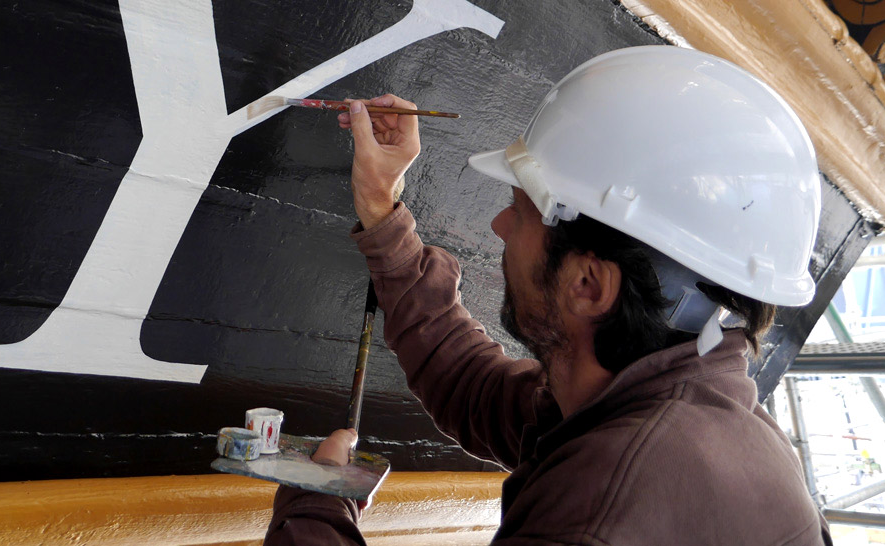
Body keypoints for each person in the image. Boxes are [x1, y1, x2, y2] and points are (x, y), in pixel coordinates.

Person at [264, 46, 832, 545]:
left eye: (519, 211)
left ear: (588, 285)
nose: (499, 226)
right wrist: (382, 211)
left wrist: (313, 504)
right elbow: (475, 389)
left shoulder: (598, 511)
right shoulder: (675, 405)